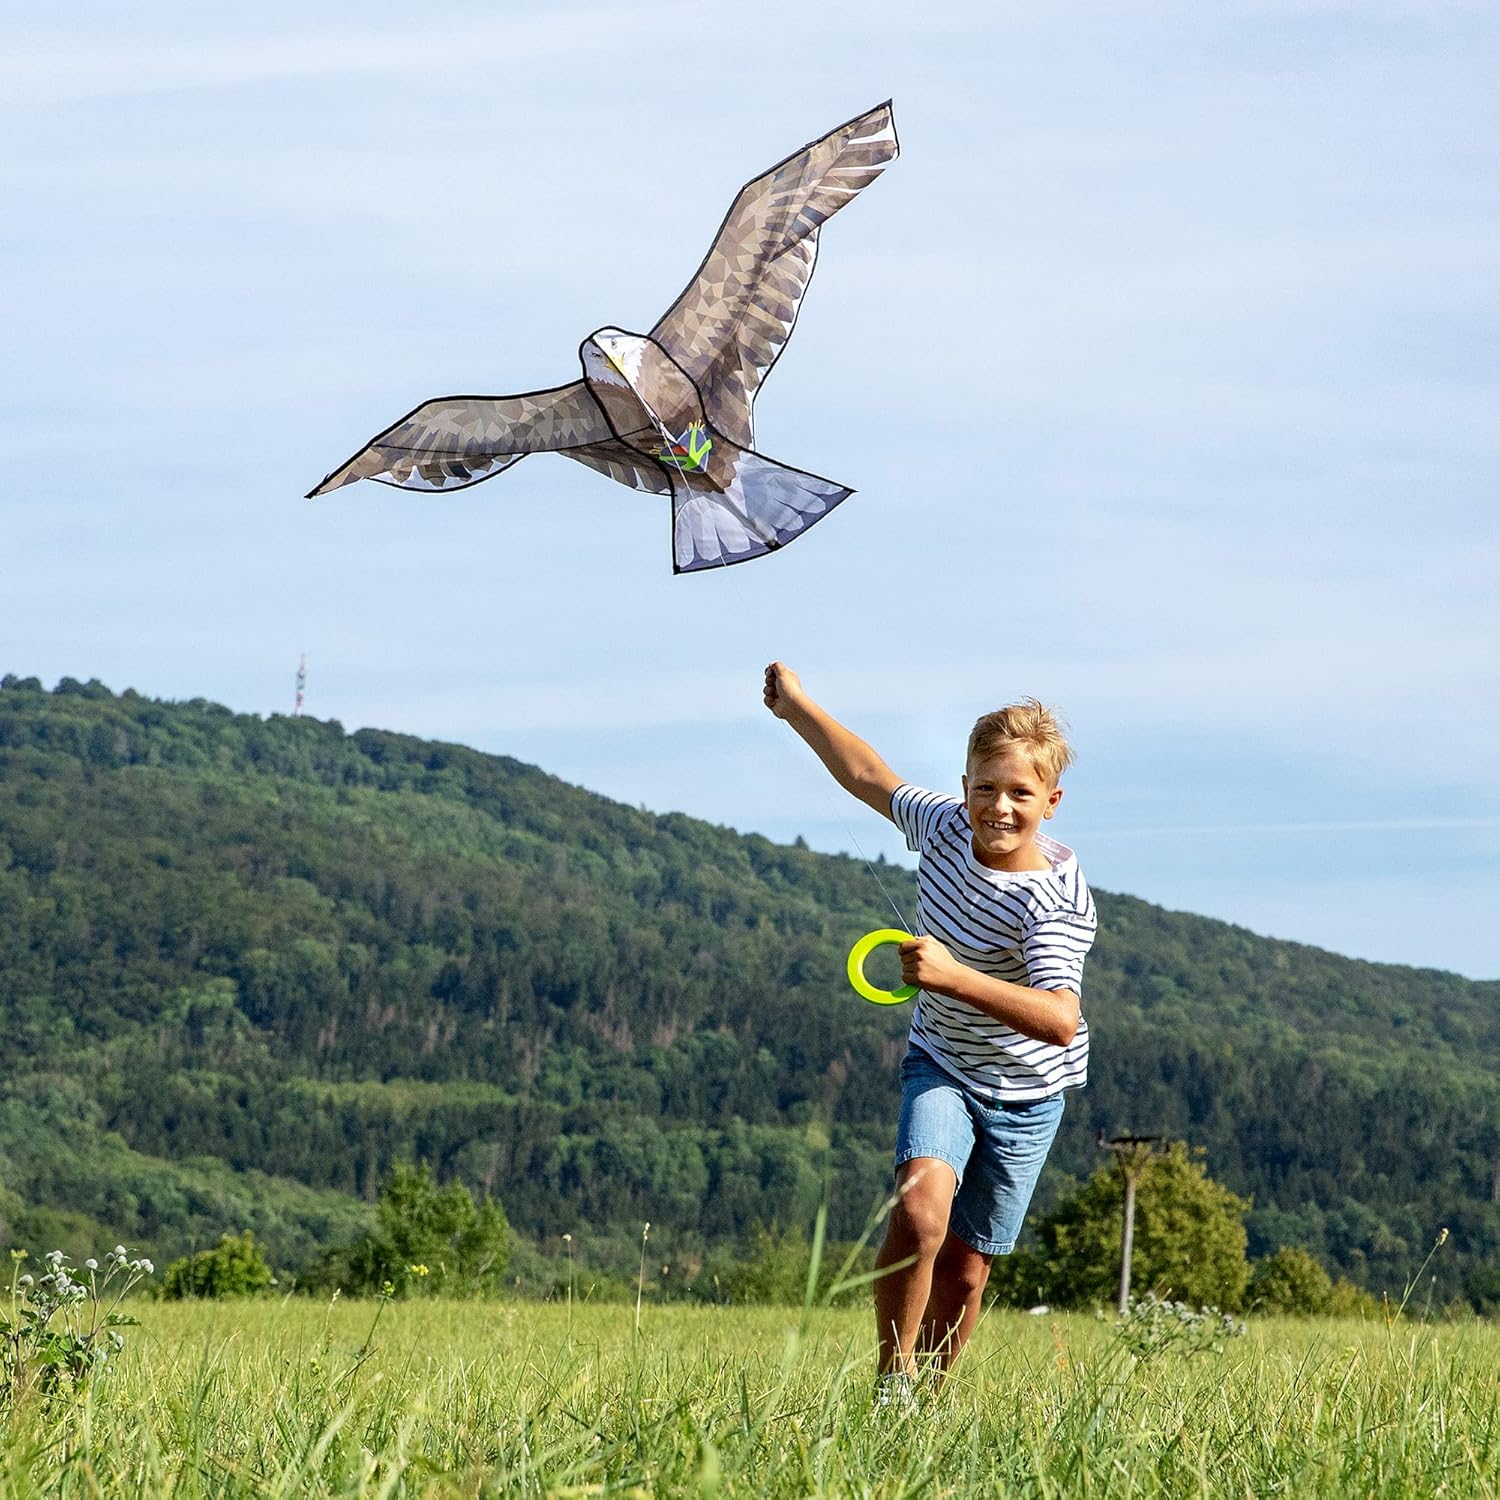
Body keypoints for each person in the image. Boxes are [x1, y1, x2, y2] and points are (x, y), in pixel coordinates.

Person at [762, 662, 1097, 1403]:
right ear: (966, 785)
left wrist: (952, 977)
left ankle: (933, 1402)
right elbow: (867, 773)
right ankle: (894, 1383)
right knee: (918, 1215)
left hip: (1026, 1094)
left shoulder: (1053, 901)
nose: (999, 807)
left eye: (1020, 794)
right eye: (986, 788)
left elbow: (1060, 1018)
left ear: (1051, 801)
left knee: (970, 1267)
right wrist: (797, 707)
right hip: (941, 1062)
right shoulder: (944, 828)